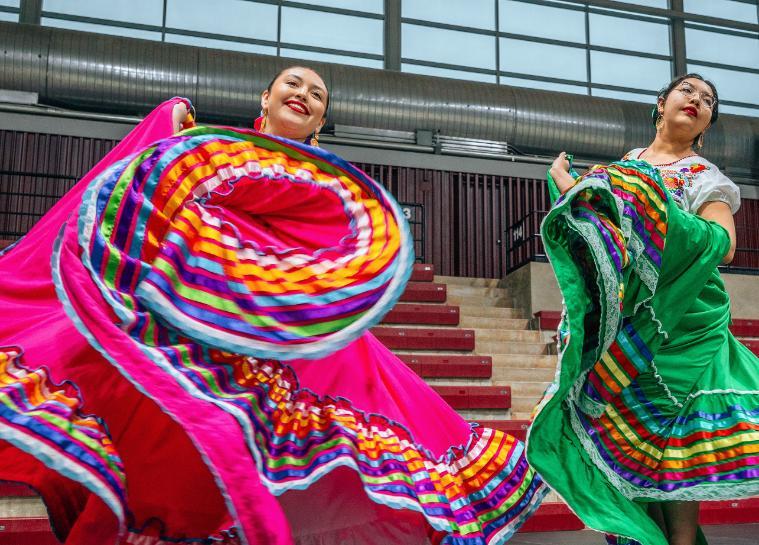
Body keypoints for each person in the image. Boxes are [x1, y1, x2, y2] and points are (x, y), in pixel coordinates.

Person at [0, 65, 546, 545]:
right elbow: (145, 199)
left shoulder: (326, 189)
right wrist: (170, 122)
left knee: (352, 397)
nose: (304, 95)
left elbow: (330, 264)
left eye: (318, 95)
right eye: (293, 83)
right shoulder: (205, 151)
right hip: (197, 317)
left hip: (280, 332)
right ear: (265, 99)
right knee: (157, 420)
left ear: (319, 122)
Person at [529, 74, 758, 545]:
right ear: (661, 103)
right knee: (631, 438)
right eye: (688, 90)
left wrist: (661, 213)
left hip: (686, 318)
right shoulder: (629, 164)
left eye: (708, 100)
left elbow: (726, 246)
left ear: (708, 123)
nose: (698, 100)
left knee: (676, 444)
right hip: (635, 316)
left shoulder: (705, 176)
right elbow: (611, 231)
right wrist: (573, 190)